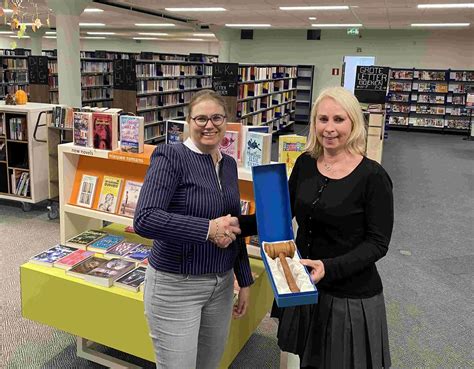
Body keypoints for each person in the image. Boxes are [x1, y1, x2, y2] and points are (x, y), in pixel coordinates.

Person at [239, 86, 393, 368]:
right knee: (308, 360)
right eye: (322, 119)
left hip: (348, 295)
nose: (329, 128)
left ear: (354, 124)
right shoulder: (306, 164)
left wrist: (329, 266)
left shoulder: (373, 176)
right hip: (303, 284)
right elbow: (279, 215)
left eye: (339, 119)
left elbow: (377, 243)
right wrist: (237, 224)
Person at [133, 89, 253, 369]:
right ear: (188, 121)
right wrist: (208, 229)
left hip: (221, 285)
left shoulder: (229, 165)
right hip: (177, 285)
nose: (209, 125)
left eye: (216, 118)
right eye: (201, 118)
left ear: (226, 122)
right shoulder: (171, 156)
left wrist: (244, 280)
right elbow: (145, 218)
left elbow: (233, 225)